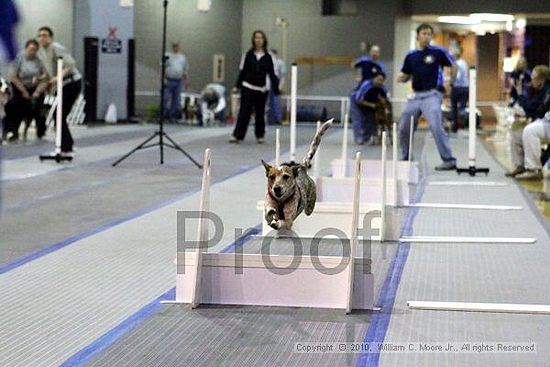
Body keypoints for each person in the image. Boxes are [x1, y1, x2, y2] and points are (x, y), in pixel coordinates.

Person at [397, 23, 456, 171]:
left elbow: (453, 66)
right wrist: (400, 78)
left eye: (429, 34)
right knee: (404, 125)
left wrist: (451, 84)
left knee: (436, 126)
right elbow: (406, 75)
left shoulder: (438, 52)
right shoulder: (411, 56)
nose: (427, 36)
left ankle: (448, 159)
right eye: (424, 33)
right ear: (418, 36)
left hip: (432, 95)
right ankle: (406, 158)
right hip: (416, 96)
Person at [37, 26, 81, 154]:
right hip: (61, 86)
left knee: (59, 115)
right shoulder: (42, 53)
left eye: (45, 35)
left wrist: (59, 77)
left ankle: (66, 147)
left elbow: (70, 64)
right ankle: (68, 145)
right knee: (59, 115)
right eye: (39, 36)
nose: (42, 38)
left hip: (71, 83)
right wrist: (40, 78)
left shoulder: (56, 48)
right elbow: (49, 73)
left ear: (50, 37)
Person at [231, 30, 278, 144]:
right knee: (244, 112)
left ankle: (260, 135)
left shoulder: (269, 56)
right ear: (253, 40)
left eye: (261, 38)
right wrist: (237, 86)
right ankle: (237, 136)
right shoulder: (247, 55)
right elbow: (242, 72)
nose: (258, 40)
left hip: (261, 90)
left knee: (260, 113)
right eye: (256, 37)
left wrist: (276, 89)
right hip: (247, 86)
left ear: (264, 40)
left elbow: (272, 74)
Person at [506, 65, 550, 180]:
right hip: (544, 121)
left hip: (547, 123)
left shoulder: (548, 90)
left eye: (534, 78)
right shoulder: (540, 91)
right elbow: (535, 109)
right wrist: (526, 115)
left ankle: (534, 169)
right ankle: (521, 166)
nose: (531, 81)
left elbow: (532, 108)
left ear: (542, 79)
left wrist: (520, 94)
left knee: (530, 131)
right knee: (516, 131)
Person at [5, 39, 48, 142]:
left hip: (35, 85)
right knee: (15, 107)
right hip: (19, 85)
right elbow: (13, 77)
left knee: (39, 108)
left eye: (34, 50)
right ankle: (13, 132)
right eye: (30, 50)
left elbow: (46, 77)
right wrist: (24, 91)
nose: (32, 52)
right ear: (26, 49)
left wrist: (37, 92)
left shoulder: (40, 59)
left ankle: (41, 132)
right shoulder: (19, 58)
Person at [349, 71, 387, 145]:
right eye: (378, 79)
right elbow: (358, 99)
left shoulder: (382, 87)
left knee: (369, 120)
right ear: (373, 78)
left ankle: (367, 138)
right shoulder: (366, 84)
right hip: (356, 100)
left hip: (369, 103)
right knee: (358, 119)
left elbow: (385, 99)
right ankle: (359, 138)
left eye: (382, 80)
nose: (380, 82)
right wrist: (371, 105)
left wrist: (382, 101)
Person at [164, 42, 188, 120]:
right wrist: (163, 79)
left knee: (176, 99)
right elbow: (163, 67)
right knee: (165, 97)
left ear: (179, 47)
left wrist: (186, 81)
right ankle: (164, 115)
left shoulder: (182, 57)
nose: (175, 48)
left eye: (177, 46)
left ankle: (172, 116)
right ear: (172, 47)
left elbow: (185, 69)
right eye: (174, 46)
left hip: (178, 81)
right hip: (169, 80)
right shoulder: (167, 55)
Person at [450, 47, 469, 132]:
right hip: (465, 87)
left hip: (457, 88)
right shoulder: (464, 63)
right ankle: (464, 122)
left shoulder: (455, 63)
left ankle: (455, 125)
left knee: (454, 107)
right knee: (462, 107)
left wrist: (451, 83)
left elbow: (455, 75)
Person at [267, 49, 286, 125]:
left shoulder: (280, 63)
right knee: (267, 102)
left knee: (276, 101)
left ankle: (277, 119)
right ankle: (269, 119)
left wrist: (280, 86)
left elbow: (282, 77)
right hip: (267, 83)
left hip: (275, 82)